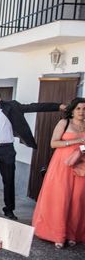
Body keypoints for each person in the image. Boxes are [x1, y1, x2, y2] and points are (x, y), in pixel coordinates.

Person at [0, 88, 64, 221]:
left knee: (8, 180)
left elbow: (33, 107)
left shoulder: (11, 107)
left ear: (0, 99)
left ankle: (9, 209)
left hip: (6, 149)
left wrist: (57, 107)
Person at [32, 97, 85, 248]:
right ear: (73, 110)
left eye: (84, 109)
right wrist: (76, 142)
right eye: (78, 108)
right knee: (60, 198)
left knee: (77, 200)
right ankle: (57, 234)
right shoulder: (64, 123)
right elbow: (53, 143)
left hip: (81, 165)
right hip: (62, 164)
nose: (81, 112)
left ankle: (72, 233)